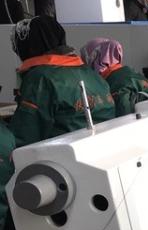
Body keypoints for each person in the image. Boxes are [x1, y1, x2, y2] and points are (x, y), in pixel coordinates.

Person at [9, 16, 115, 146]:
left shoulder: (40, 78)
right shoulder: (91, 74)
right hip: (103, 148)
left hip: (60, 155)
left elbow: (24, 135)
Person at [81, 38, 148, 116]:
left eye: (86, 60)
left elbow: (123, 118)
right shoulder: (128, 73)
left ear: (96, 59)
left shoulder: (115, 83)